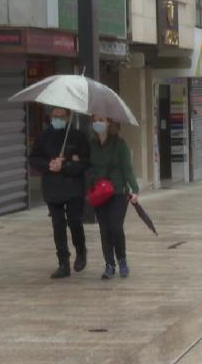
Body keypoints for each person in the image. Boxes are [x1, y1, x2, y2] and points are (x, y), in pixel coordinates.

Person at [29, 107, 90, 279]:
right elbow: (34, 158)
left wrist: (67, 165)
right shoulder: (44, 137)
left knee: (74, 220)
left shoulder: (78, 137)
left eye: (61, 117)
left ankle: (81, 250)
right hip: (52, 187)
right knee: (58, 225)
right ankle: (63, 262)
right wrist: (49, 165)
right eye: (54, 117)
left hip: (73, 188)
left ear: (68, 117)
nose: (57, 120)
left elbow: (85, 162)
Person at [89, 115, 139, 280]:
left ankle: (122, 260)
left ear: (110, 122)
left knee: (115, 227)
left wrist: (134, 189)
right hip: (99, 193)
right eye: (95, 119)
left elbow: (128, 169)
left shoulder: (120, 144)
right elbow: (88, 166)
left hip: (118, 192)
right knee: (104, 229)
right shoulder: (92, 144)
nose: (98, 123)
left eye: (101, 119)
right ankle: (109, 264)